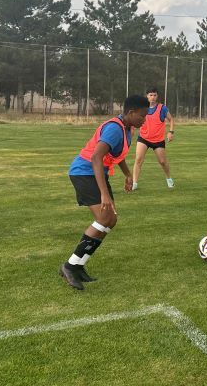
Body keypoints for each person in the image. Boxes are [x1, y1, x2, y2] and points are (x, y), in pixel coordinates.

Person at [60, 95, 149, 290]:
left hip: (95, 174)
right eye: (142, 116)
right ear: (131, 113)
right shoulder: (114, 129)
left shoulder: (128, 128)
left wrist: (127, 175)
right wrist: (104, 194)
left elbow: (118, 154)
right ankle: (69, 266)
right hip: (84, 173)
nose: (145, 120)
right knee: (104, 218)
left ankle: (78, 265)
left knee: (110, 220)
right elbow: (96, 157)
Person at [132, 87, 175, 190]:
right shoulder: (141, 108)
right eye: (150, 95)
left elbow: (171, 119)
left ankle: (169, 179)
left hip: (158, 140)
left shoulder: (162, 108)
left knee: (163, 162)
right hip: (143, 138)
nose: (153, 97)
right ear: (147, 96)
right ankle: (134, 183)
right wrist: (131, 129)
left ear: (157, 96)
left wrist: (171, 132)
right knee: (138, 160)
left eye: (155, 95)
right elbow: (134, 119)